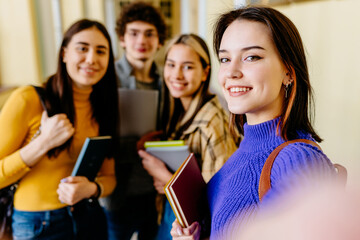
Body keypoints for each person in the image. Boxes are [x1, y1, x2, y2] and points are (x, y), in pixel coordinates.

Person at [170, 6, 336, 240]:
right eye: (225, 59)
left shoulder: (296, 160)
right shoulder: (245, 149)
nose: (231, 72)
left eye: (251, 57)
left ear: (288, 71)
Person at [0, 19, 118, 240]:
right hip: (37, 223)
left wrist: (91, 188)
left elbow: (110, 177)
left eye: (101, 51)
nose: (91, 59)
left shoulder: (104, 107)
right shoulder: (28, 99)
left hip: (88, 216)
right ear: (64, 54)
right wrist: (43, 142)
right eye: (82, 48)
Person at [138, 33, 239, 240]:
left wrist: (166, 178)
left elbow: (219, 198)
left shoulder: (212, 121)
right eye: (171, 65)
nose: (176, 75)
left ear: (205, 73)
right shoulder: (176, 108)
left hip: (191, 227)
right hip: (171, 213)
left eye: (188, 67)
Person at [99, 2, 167, 240]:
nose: (142, 40)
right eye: (134, 33)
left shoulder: (167, 79)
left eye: (149, 34)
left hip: (155, 190)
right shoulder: (105, 77)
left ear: (159, 40)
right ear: (122, 39)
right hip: (118, 191)